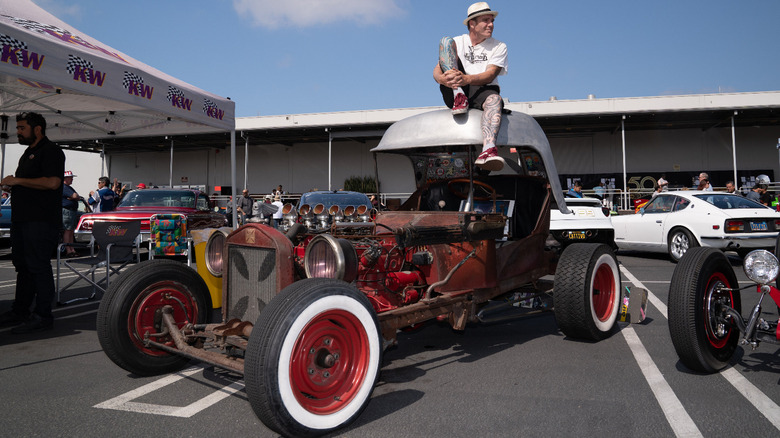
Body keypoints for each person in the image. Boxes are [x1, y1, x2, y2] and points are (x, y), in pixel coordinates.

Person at [0, 112, 64, 333]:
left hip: (40, 221)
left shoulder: (51, 151)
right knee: (23, 267)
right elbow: (33, 183)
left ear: (37, 129)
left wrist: (17, 180)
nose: (17, 132)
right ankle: (20, 311)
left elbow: (53, 182)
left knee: (38, 266)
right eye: (17, 128)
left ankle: (43, 314)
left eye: (22, 128)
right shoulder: (28, 153)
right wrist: (15, 186)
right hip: (22, 219)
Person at [433, 2, 508, 172]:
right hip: (455, 87)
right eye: (486, 20)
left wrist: (465, 79)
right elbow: (437, 71)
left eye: (492, 21)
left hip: (482, 88)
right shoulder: (458, 41)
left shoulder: (499, 46)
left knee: (495, 99)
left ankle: (488, 149)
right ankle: (459, 96)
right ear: (472, 24)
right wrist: (443, 80)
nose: (491, 24)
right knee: (445, 41)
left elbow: (490, 75)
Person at [61, 170, 80, 257]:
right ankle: (68, 250)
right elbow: (75, 196)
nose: (72, 179)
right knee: (67, 230)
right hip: (67, 211)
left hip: (71, 211)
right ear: (65, 178)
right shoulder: (64, 187)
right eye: (70, 178)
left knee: (71, 231)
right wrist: (74, 197)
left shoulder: (69, 188)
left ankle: (72, 249)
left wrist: (73, 197)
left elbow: (77, 196)